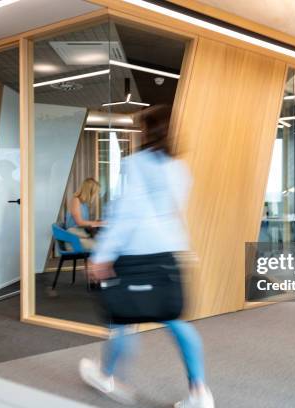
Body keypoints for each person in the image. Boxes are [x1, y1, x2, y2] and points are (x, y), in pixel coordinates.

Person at [79, 107, 214, 408]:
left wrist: (102, 255)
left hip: (134, 253)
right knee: (175, 321)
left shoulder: (134, 164)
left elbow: (127, 212)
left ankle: (108, 376)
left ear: (146, 130)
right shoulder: (179, 168)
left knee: (122, 319)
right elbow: (170, 211)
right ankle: (199, 392)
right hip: (167, 252)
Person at [65, 177, 102, 251]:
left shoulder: (84, 204)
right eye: (96, 192)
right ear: (90, 191)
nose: (97, 195)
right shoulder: (76, 200)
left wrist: (97, 222)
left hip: (80, 235)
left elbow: (84, 222)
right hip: (74, 238)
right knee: (104, 247)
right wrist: (97, 223)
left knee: (106, 244)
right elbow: (79, 222)